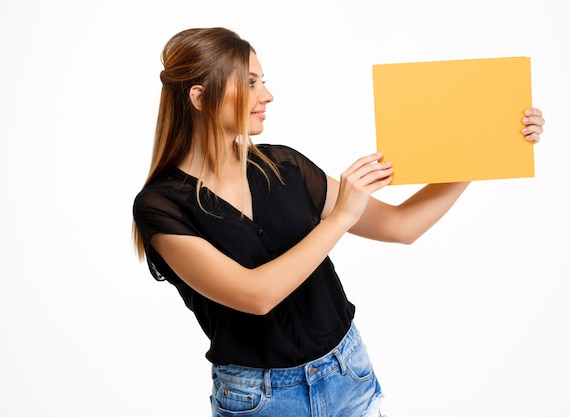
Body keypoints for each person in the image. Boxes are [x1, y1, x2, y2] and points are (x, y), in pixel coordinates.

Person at [132, 27, 545, 417]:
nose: (268, 95)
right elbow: (255, 295)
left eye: (263, 80)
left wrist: (486, 146)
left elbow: (402, 225)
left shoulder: (285, 167)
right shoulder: (161, 207)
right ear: (200, 98)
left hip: (348, 373)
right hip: (258, 400)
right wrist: (342, 216)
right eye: (251, 83)